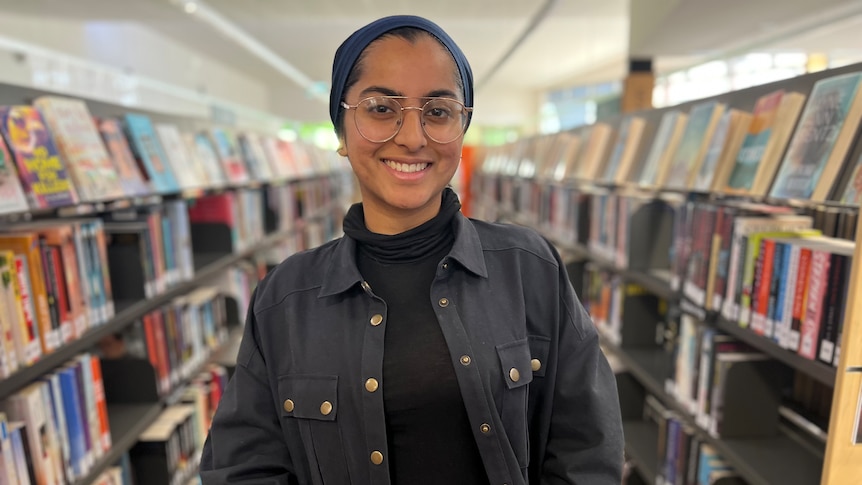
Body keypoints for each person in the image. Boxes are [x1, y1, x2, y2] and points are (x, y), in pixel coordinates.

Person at [200, 14, 623, 485]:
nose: (412, 137)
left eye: (438, 111)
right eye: (381, 108)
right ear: (342, 130)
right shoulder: (285, 299)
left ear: (461, 130)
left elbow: (588, 452)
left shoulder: (530, 268)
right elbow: (242, 468)